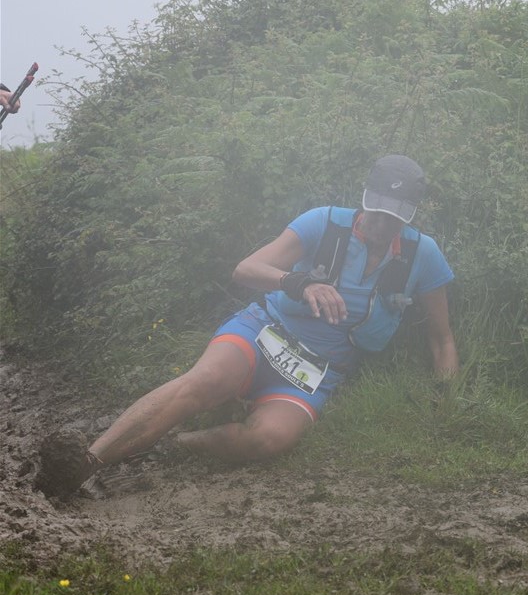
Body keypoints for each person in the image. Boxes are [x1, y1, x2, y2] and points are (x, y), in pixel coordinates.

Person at [35, 154, 458, 497]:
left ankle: (176, 443)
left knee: (268, 439)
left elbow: (441, 339)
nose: (383, 225)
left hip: (317, 371)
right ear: (365, 200)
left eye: (394, 218)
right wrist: (298, 283)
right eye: (377, 213)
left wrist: (445, 398)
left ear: (410, 215)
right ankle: (85, 463)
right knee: (204, 382)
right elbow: (246, 269)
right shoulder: (324, 222)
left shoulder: (424, 255)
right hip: (263, 332)